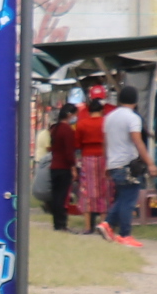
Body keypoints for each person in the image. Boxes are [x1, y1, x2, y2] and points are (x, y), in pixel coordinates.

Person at [101, 86, 146, 242]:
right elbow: (137, 141)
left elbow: (105, 143)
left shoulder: (109, 117)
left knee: (123, 197)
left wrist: (107, 163)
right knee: (129, 199)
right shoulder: (133, 118)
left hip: (114, 164)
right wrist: (149, 162)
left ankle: (108, 224)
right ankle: (125, 234)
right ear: (135, 100)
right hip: (128, 164)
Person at [72, 91, 111, 229]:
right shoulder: (107, 122)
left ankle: (88, 226)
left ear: (88, 111)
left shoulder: (82, 124)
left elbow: (77, 145)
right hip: (104, 158)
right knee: (104, 189)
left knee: (87, 191)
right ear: (102, 110)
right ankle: (103, 225)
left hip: (87, 158)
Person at [44, 102, 79, 233]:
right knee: (62, 196)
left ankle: (56, 223)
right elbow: (69, 152)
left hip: (54, 166)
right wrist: (73, 167)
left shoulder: (55, 129)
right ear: (70, 115)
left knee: (56, 196)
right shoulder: (67, 130)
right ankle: (61, 223)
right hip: (64, 167)